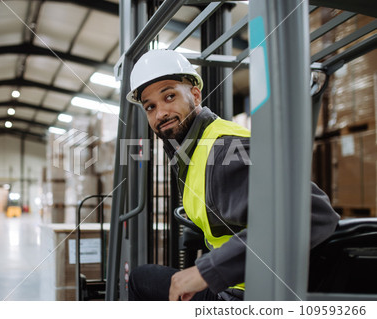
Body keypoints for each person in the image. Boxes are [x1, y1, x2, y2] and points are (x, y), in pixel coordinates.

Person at [126, 49, 340, 301]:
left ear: (195, 94)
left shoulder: (224, 149)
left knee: (141, 279)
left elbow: (312, 214)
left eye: (169, 96)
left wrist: (209, 270)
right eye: (150, 107)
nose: (160, 113)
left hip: (248, 294)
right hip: (242, 284)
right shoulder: (193, 150)